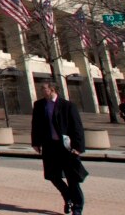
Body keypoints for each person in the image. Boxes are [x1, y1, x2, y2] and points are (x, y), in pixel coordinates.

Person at [31, 81, 88, 215]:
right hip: (49, 145)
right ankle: (67, 196)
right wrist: (36, 142)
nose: (41, 90)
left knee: (72, 178)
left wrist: (78, 147)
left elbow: (77, 127)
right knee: (52, 175)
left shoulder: (67, 106)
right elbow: (36, 125)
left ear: (52, 89)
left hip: (66, 147)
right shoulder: (39, 105)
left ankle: (77, 208)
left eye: (44, 88)